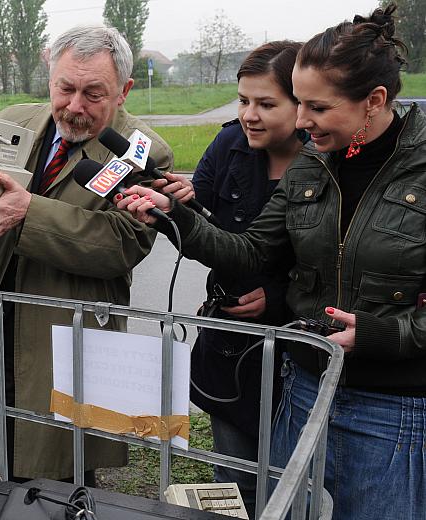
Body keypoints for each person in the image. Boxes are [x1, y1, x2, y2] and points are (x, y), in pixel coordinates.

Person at [118, 5, 424, 518]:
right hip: (304, 388)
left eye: (318, 109)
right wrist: (178, 217)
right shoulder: (314, 161)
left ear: (373, 101)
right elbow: (253, 252)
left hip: (390, 408)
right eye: (299, 105)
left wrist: (378, 335)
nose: (301, 122)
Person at [0, 24, 173, 482]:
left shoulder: (142, 153)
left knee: (62, 466)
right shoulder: (14, 120)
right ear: (49, 78)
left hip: (66, 339)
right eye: (65, 88)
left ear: (124, 91)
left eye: (94, 93)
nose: (74, 107)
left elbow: (121, 243)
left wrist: (28, 212)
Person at [167, 41, 302, 515]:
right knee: (235, 483)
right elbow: (197, 224)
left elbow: (335, 264)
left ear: (301, 101)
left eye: (266, 103)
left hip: (300, 354)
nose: (250, 114)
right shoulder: (228, 144)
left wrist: (278, 297)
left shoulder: (325, 161)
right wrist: (172, 206)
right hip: (229, 347)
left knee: (292, 485)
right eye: (243, 100)